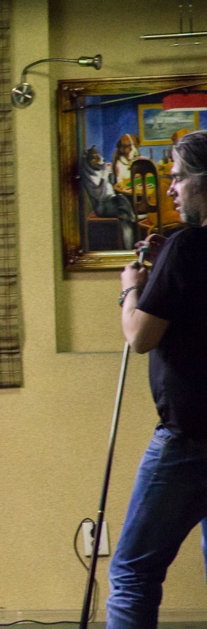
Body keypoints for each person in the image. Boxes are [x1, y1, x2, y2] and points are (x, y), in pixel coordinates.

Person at [111, 130, 207, 629]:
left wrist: (132, 288)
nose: (170, 189)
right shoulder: (181, 248)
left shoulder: (185, 247)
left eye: (177, 178)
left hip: (189, 439)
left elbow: (140, 336)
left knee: (132, 573)